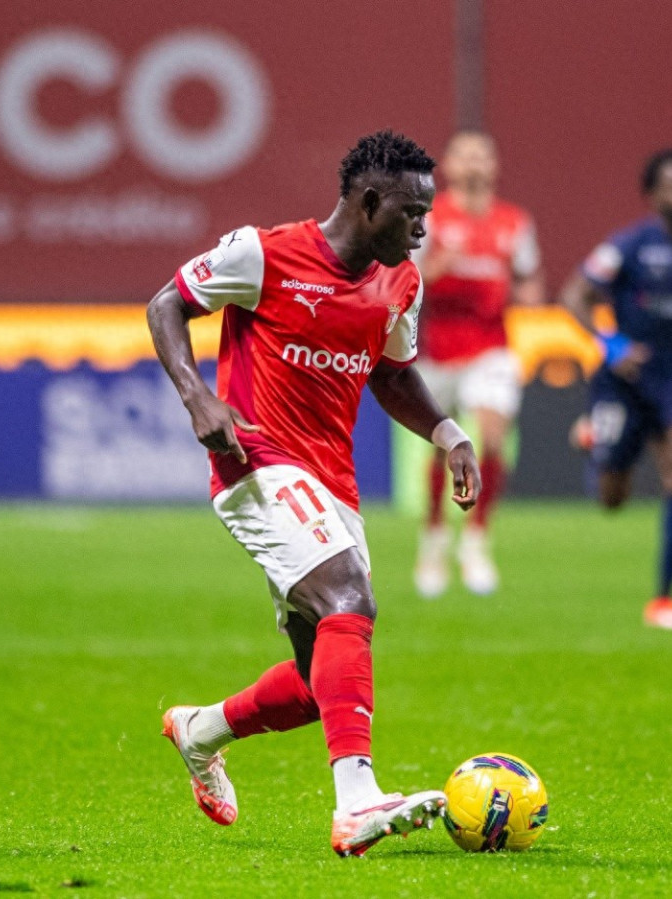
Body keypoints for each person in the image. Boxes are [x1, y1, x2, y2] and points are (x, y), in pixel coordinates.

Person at [146, 130, 481, 857]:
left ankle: (201, 729)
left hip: (333, 482)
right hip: (256, 461)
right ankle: (357, 801)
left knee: (314, 681)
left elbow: (391, 373)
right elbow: (166, 305)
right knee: (349, 598)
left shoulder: (401, 281)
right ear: (370, 202)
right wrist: (198, 397)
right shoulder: (262, 253)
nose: (422, 230)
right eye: (411, 213)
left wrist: (449, 431)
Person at [561, 148, 672, 630]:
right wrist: (611, 344)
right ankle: (595, 441)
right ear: (653, 195)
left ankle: (664, 598)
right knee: (612, 498)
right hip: (624, 378)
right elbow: (574, 295)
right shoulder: (627, 246)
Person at [412, 132, 543, 598]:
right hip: (439, 348)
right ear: (447, 165)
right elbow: (406, 279)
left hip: (492, 346)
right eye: (464, 156)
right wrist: (436, 269)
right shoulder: (429, 217)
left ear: (494, 165)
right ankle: (433, 537)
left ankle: (477, 538)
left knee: (491, 437)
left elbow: (528, 279)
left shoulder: (514, 222)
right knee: (441, 447)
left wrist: (528, 296)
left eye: (481, 156)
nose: (473, 164)